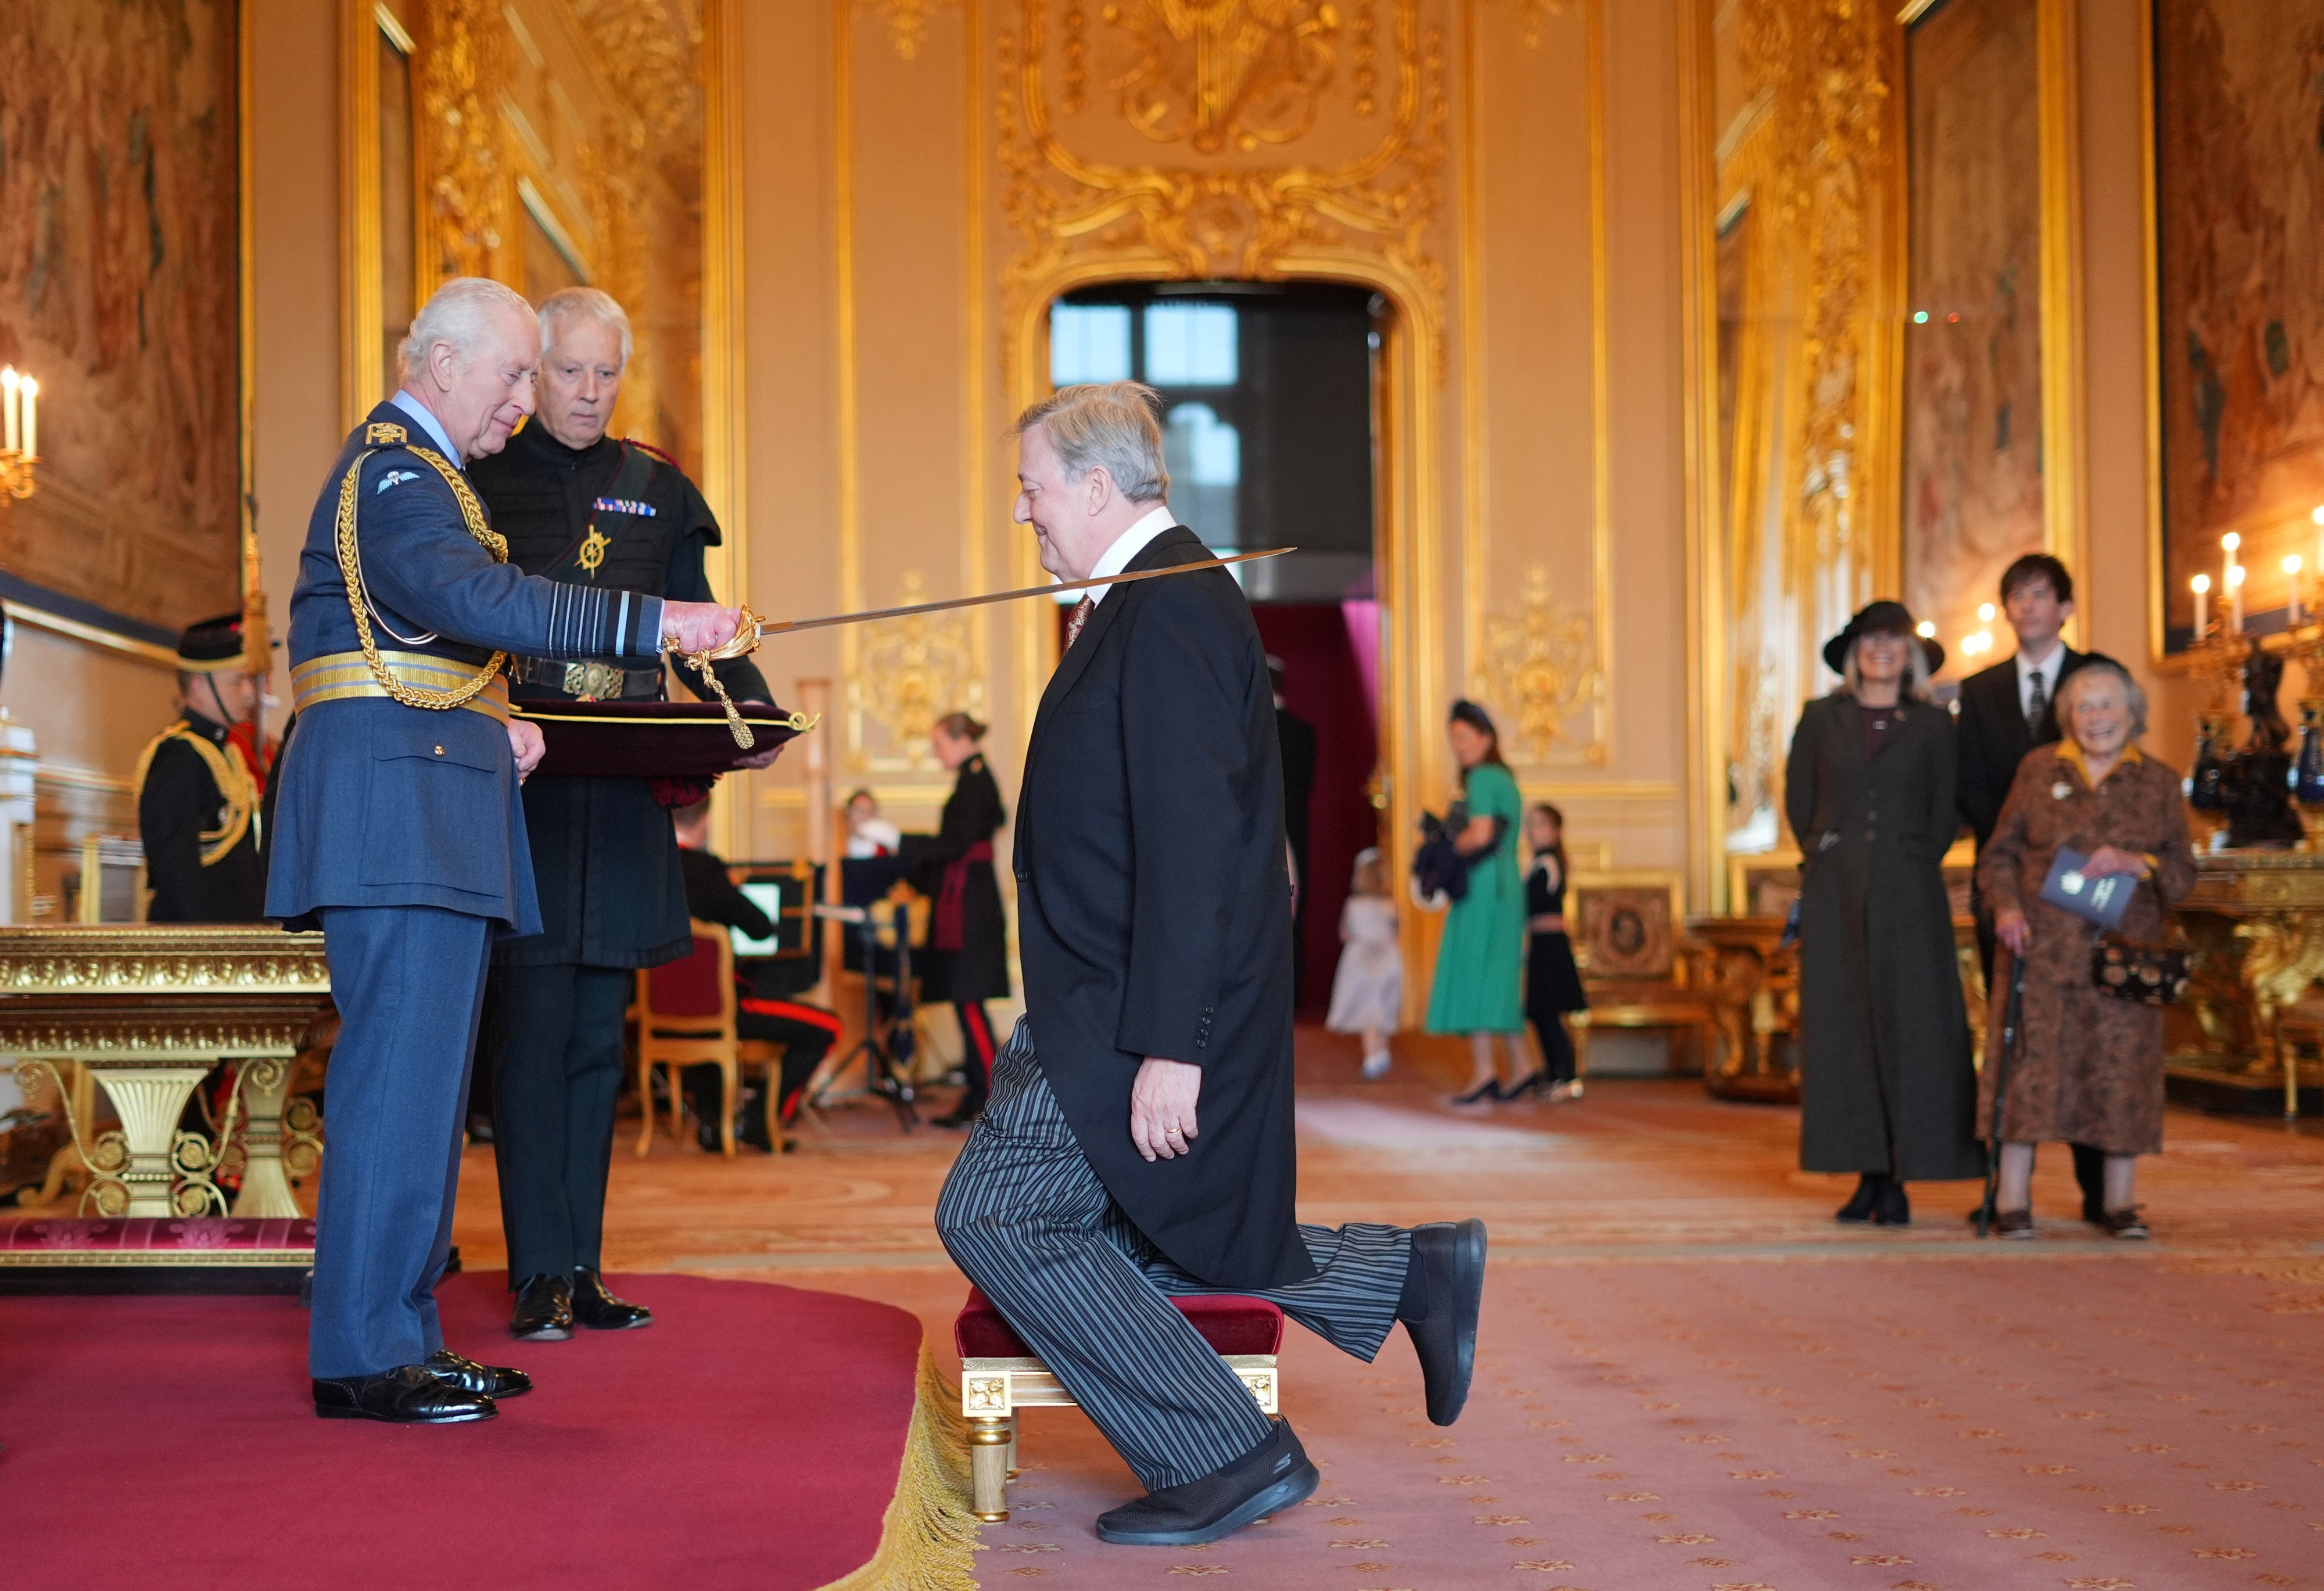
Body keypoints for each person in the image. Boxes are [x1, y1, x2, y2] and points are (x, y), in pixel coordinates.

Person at [936, 382, 1486, 1548]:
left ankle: (1228, 1451)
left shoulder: (1173, 606)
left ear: (1093, 486)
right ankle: (1398, 1278)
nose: (1022, 513)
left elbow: (1195, 852)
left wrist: (1169, 1049)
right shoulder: (1145, 597)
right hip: (1104, 996)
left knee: (994, 1213)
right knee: (1150, 1230)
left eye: (1033, 487)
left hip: (1126, 1013)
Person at [267, 275, 740, 1424]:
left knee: (426, 1094)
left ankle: (404, 1334)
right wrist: (653, 623)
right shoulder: (397, 469)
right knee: (395, 1089)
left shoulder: (421, 473)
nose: (527, 397)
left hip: (424, 802)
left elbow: (418, 640)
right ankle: (365, 1353)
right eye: (516, 372)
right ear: (442, 368)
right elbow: (466, 594)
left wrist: (499, 721)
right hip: (401, 817)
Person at [466, 286, 780, 1344]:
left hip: (624, 802)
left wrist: (760, 706)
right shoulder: (479, 478)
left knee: (600, 1041)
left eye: (607, 373)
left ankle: (584, 1268)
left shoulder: (656, 487)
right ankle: (536, 1272)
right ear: (532, 372)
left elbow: (707, 627)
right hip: (529, 798)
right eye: (569, 373)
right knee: (534, 1035)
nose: (591, 393)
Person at [1977, 660, 2196, 1239]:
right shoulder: (2037, 770)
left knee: (2120, 1074)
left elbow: (2182, 871)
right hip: (2041, 950)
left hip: (2124, 956)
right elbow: (1998, 855)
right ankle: (2011, 1202)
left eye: (2107, 705)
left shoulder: (2158, 782)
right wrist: (2005, 908)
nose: (2095, 717)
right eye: (2083, 706)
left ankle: (2119, 1205)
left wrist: (2136, 862)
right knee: (2030, 1073)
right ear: (2068, 717)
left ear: (2132, 713)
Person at [1784, 601, 1985, 1225]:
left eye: (1893, 640)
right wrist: (1824, 850)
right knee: (1846, 1030)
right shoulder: (1821, 718)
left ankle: (1902, 1171)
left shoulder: (1931, 724)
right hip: (1834, 891)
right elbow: (1799, 798)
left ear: (1910, 653)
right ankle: (1866, 1173)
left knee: (1915, 1027)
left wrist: (1912, 855)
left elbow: (1946, 804)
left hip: (1909, 892)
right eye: (1870, 639)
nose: (1881, 650)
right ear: (1853, 652)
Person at [1954, 552, 2111, 1224]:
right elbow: (1969, 786)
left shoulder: (2096, 679)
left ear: (2065, 607)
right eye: (2016, 596)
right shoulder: (1982, 691)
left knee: (2091, 1041)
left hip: (2087, 897)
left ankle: (2102, 1194)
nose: (2028, 607)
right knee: (2015, 1042)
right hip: (2009, 894)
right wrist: (2011, 872)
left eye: (2041, 595)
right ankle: (2006, 1193)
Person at [671, 800, 844, 1152]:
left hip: (656, 1010)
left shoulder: (645, 867)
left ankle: (712, 1120)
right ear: (704, 821)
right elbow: (761, 928)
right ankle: (759, 1121)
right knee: (827, 1028)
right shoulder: (705, 869)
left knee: (704, 1018)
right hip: (720, 1009)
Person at [900, 712, 1009, 1129]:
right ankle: (978, 1095)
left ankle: (992, 1099)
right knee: (967, 1004)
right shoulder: (974, 778)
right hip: (969, 903)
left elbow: (954, 845)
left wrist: (899, 843)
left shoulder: (976, 780)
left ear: (962, 739)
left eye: (939, 743)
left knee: (970, 1003)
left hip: (973, 909)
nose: (935, 751)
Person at [1423, 701, 1529, 1104]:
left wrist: (1445, 845)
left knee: (1477, 973)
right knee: (1497, 976)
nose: (1458, 746)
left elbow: (1481, 834)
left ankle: (1485, 1072)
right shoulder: (1503, 777)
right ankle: (1522, 1067)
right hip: (1504, 884)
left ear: (1486, 738)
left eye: (1464, 737)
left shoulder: (1483, 777)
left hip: (1483, 887)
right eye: (1453, 739)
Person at [136, 613, 271, 922]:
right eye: (238, 682)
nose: (251, 693)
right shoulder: (178, 755)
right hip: (204, 951)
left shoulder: (228, 752)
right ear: (199, 686)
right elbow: (176, 873)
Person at [1523, 803, 1587, 1103]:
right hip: (1542, 943)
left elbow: (1534, 905)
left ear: (1555, 831)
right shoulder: (1541, 862)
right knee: (1542, 1012)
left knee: (1547, 1011)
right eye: (1530, 824)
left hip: (1550, 945)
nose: (1532, 830)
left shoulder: (1547, 862)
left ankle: (1566, 1075)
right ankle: (1556, 1072)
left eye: (1539, 824)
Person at [1324, 848, 1401, 1079]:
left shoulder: (1354, 905)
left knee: (1368, 1011)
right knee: (1383, 1007)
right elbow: (1397, 931)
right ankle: (1383, 1050)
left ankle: (1371, 1057)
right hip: (1388, 959)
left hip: (1361, 962)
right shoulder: (1391, 904)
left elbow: (1344, 933)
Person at [1271, 656, 1318, 1002]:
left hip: (1259, 830)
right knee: (1294, 910)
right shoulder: (1305, 733)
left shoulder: (1248, 730)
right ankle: (1293, 994)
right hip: (1295, 829)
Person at [843, 789, 901, 857]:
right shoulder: (840, 844)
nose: (865, 817)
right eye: (859, 812)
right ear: (848, 813)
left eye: (870, 812)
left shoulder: (883, 844)